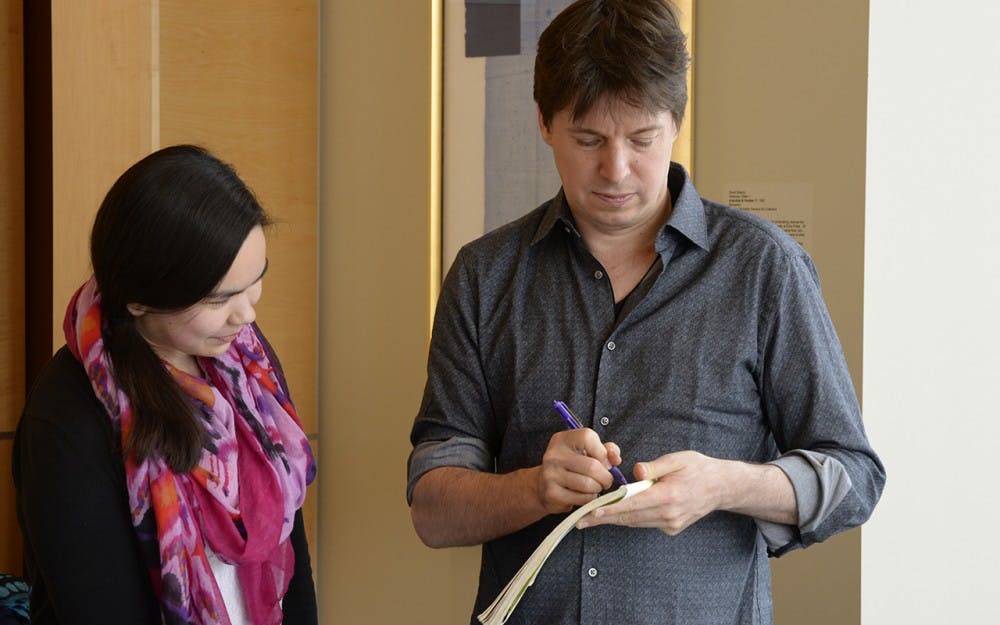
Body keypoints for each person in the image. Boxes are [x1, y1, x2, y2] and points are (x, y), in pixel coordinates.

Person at [407, 1, 885, 623]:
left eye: (642, 139)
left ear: (676, 122)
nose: (616, 169)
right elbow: (432, 512)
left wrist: (724, 486)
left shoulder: (765, 267)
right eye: (588, 140)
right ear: (544, 124)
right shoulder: (485, 275)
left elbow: (854, 479)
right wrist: (532, 487)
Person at [13, 145, 318, 625]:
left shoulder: (244, 363)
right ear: (138, 300)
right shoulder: (68, 418)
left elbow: (288, 543)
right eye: (221, 298)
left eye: (254, 283)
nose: (247, 314)